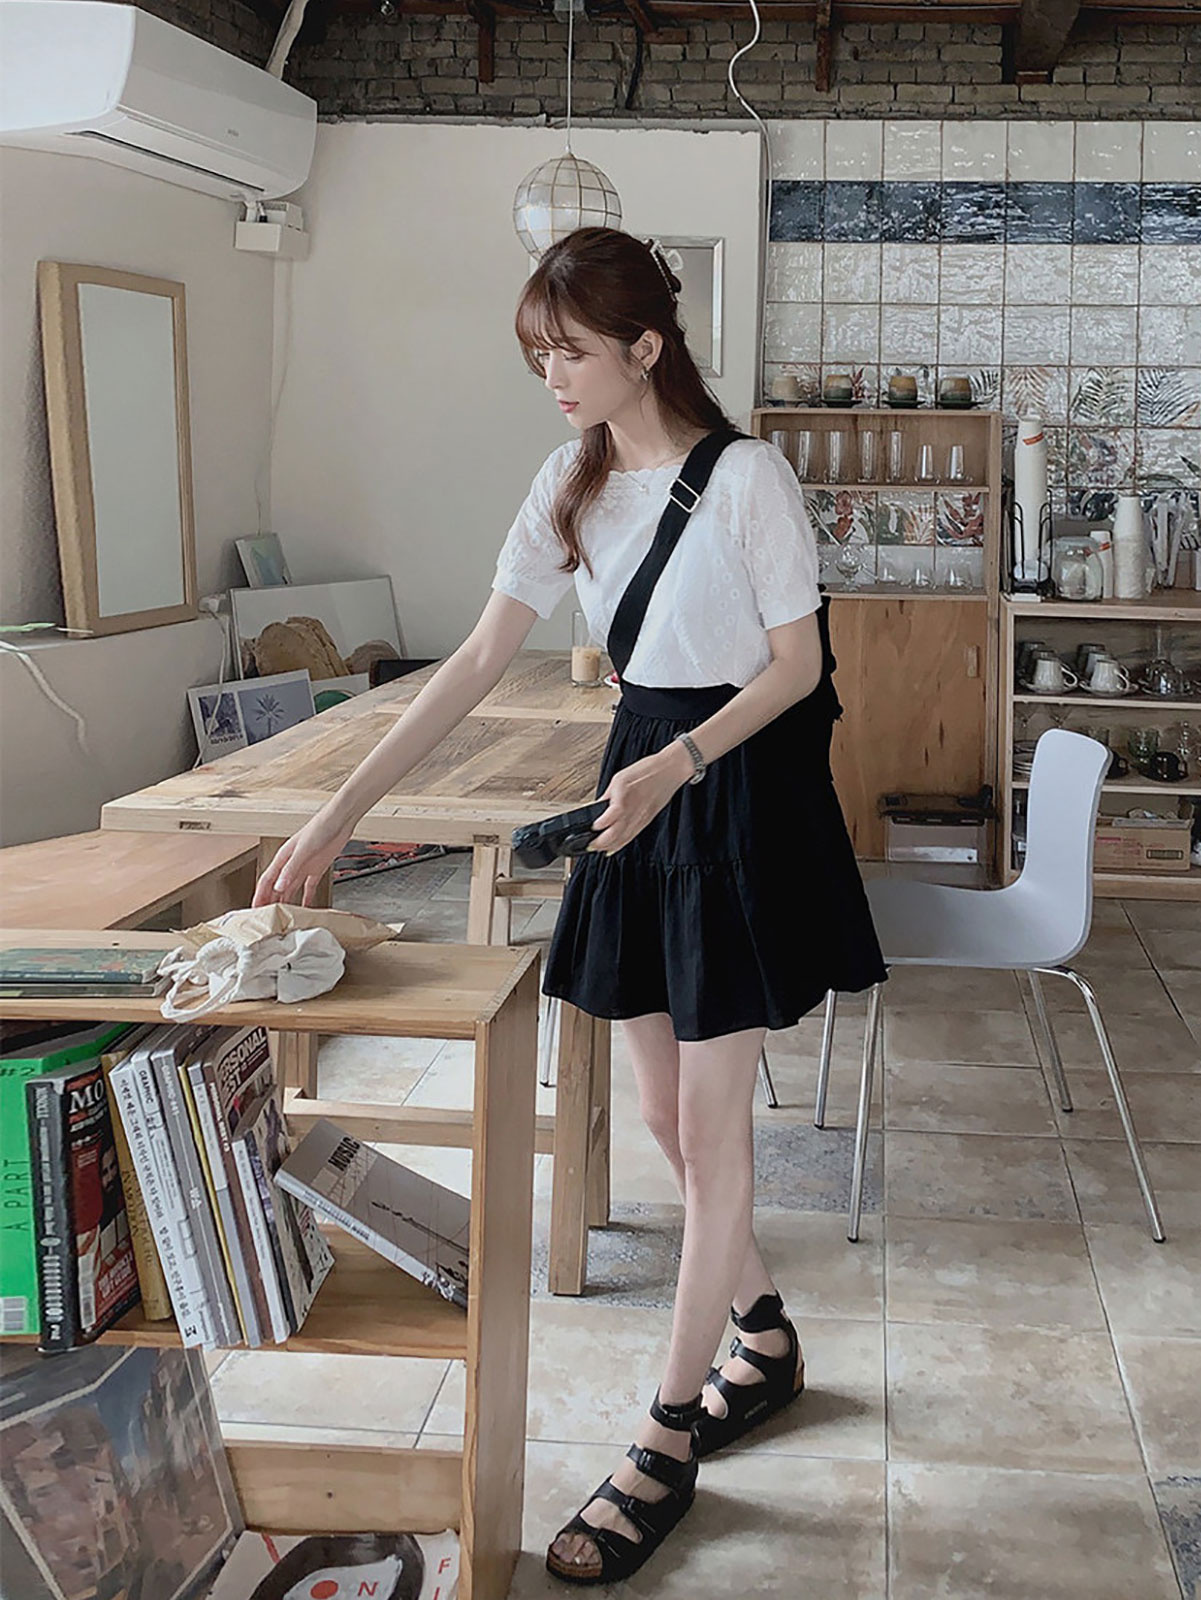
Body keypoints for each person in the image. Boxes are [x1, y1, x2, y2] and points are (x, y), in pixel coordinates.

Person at [254, 225, 886, 1586]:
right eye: (539, 354)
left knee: (711, 1133)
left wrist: (679, 763)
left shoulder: (749, 479)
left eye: (571, 352)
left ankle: (666, 1436)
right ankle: (765, 1337)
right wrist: (340, 810)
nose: (551, 377)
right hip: (639, 781)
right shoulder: (568, 480)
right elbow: (478, 657)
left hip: (730, 790)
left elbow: (796, 667)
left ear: (646, 348)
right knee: (659, 1116)